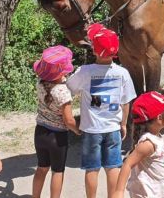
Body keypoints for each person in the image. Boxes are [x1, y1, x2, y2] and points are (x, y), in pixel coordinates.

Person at [67, 23, 137, 198]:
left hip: (91, 129)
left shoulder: (85, 71)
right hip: (113, 128)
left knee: (92, 169)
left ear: (94, 51)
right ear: (116, 51)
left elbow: (69, 87)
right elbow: (126, 102)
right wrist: (123, 124)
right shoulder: (122, 73)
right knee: (113, 167)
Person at [113, 91, 164, 198]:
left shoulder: (156, 137)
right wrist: (119, 192)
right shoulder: (148, 144)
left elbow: (163, 156)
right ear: (159, 118)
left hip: (155, 192)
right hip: (146, 194)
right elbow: (127, 164)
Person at [32, 45, 80, 198]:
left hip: (40, 132)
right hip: (57, 137)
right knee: (57, 172)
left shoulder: (40, 84)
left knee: (41, 168)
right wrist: (79, 131)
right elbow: (68, 120)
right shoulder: (63, 92)